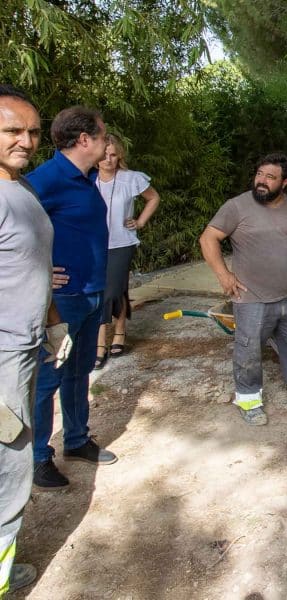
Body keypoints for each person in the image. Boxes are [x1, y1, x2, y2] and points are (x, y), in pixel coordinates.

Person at [199, 153, 287, 426]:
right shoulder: (237, 206)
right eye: (259, 174)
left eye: (270, 177)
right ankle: (249, 402)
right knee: (248, 352)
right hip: (251, 298)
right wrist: (224, 275)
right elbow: (208, 238)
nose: (261, 181)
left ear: (284, 182)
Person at [0, 85, 71, 596]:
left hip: (23, 347)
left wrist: (51, 319)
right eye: (11, 131)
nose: (25, 141)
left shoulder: (19, 189)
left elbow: (32, 265)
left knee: (10, 461)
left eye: (31, 131)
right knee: (8, 466)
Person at [27, 106, 118, 491]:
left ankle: (77, 440)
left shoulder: (86, 176)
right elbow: (13, 227)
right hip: (62, 300)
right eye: (102, 135)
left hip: (92, 292)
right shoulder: (44, 179)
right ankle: (36, 458)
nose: (106, 141)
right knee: (48, 379)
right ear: (84, 140)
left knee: (80, 372)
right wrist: (41, 270)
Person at [94, 134, 160, 368]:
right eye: (104, 155)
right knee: (111, 289)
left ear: (119, 156)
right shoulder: (88, 180)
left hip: (122, 243)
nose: (108, 160)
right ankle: (118, 331)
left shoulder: (130, 178)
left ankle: (100, 342)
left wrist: (140, 221)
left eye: (113, 155)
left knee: (110, 292)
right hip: (95, 244)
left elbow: (153, 198)